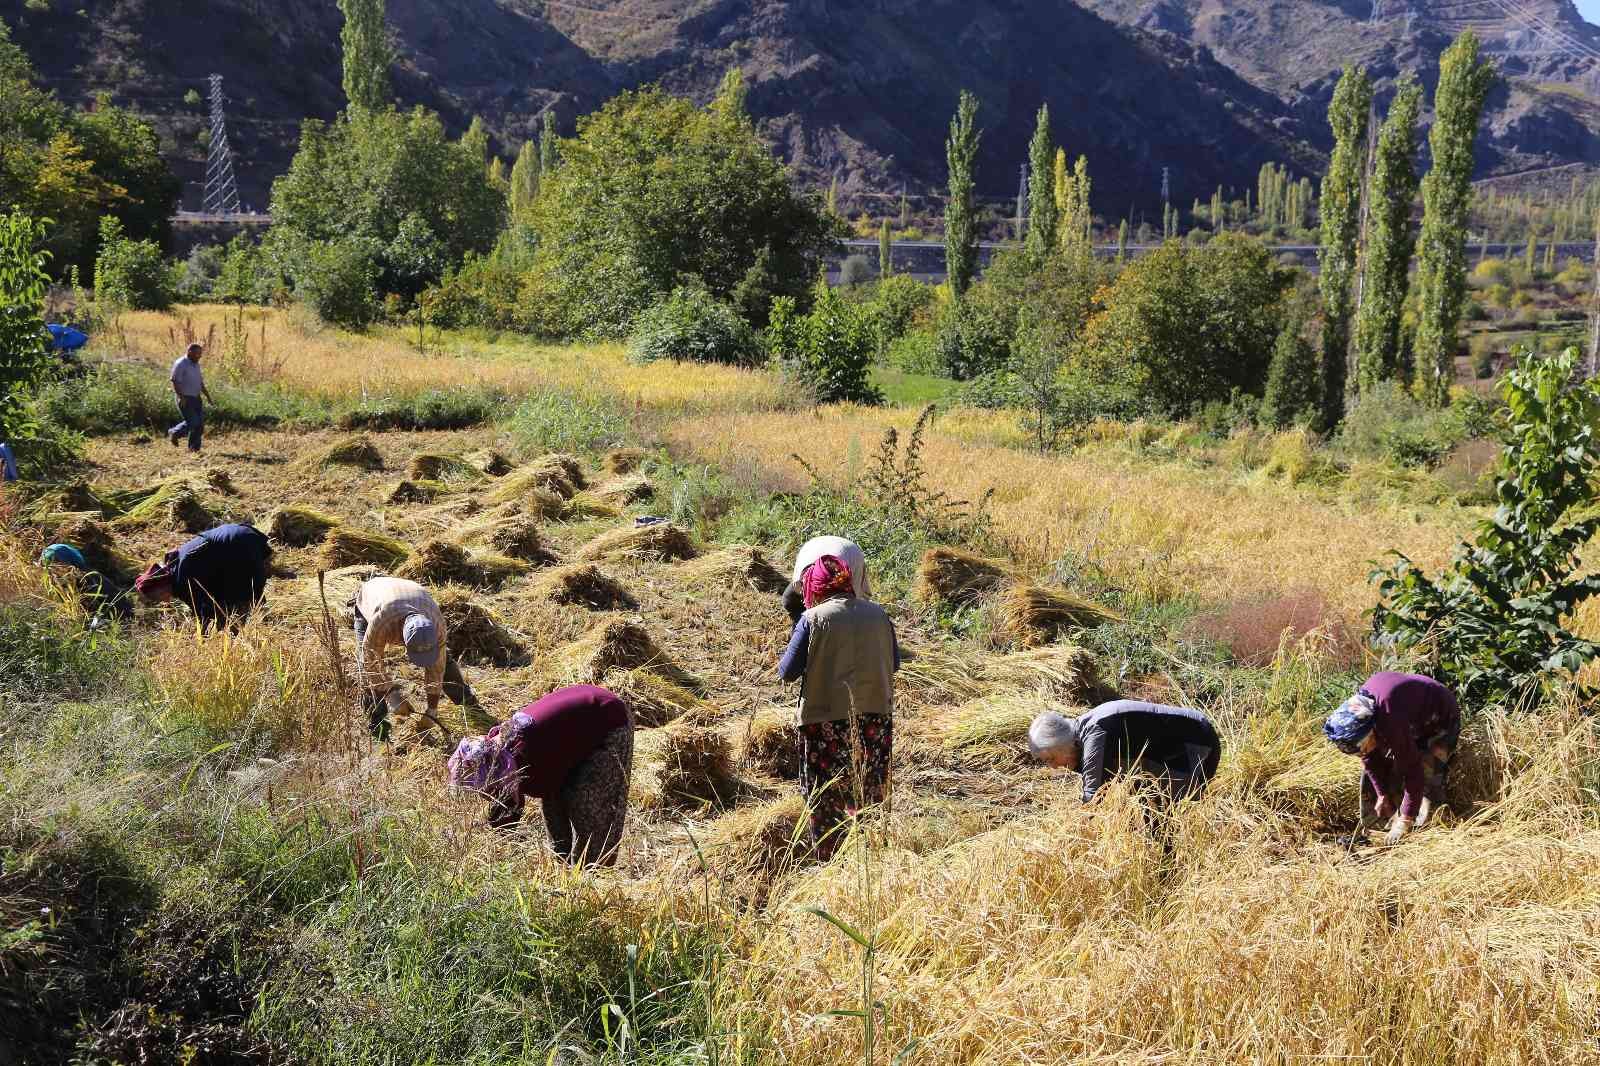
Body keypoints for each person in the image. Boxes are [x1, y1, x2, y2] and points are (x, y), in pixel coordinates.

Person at [777, 554, 899, 858]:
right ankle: (868, 857)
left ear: (814, 587)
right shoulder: (880, 615)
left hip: (825, 721)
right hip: (875, 719)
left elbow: (787, 672)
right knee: (867, 790)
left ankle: (831, 863)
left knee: (825, 798)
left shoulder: (813, 619)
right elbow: (893, 664)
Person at [448, 685, 635, 866]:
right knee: (554, 803)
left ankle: (592, 874)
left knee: (589, 810)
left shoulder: (522, 754)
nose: (483, 792)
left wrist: (499, 838)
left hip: (607, 719)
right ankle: (563, 866)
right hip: (572, 725)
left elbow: (511, 804)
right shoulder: (501, 754)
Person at [1323, 672, 1461, 845]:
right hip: (1410, 718)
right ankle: (1379, 827)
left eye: (1362, 747)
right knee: (1379, 771)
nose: (1361, 753)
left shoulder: (1389, 717)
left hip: (1441, 716)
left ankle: (1423, 832)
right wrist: (1382, 794)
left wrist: (1405, 820)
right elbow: (1370, 759)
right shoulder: (1363, 713)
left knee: (1427, 774)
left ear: (1371, 732)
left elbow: (1413, 770)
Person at [352, 575, 480, 741]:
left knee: (445, 662)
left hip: (410, 593)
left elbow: (437, 667)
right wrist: (392, 696)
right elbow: (372, 662)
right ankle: (379, 730)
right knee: (367, 671)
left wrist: (432, 710)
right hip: (372, 597)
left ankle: (468, 703)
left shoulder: (437, 624)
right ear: (402, 638)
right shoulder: (382, 621)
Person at [1029, 700, 1222, 804]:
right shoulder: (1081, 731)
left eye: (1052, 758)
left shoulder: (1095, 735)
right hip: (1173, 748)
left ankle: (1174, 870)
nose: (1053, 766)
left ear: (1064, 744)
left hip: (1196, 741)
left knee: (1169, 809)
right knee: (1146, 800)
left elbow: (1093, 795)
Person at [134, 522, 271, 628]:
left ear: (162, 585)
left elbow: (204, 611)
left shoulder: (182, 578)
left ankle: (261, 626)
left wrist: (204, 637)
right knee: (244, 592)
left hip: (237, 546)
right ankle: (264, 620)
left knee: (238, 602)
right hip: (244, 532)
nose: (162, 601)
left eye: (158, 596)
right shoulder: (174, 564)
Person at [782, 535, 869, 622]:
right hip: (815, 546)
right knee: (789, 601)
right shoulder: (799, 583)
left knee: (851, 604)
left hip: (850, 553)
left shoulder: (847, 570)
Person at [40, 542, 132, 624]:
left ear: (67, 561)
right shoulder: (71, 577)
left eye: (57, 562)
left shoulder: (84, 579)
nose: (54, 568)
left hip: (117, 619)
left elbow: (90, 609)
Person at [168, 342, 214, 452]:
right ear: (189, 352)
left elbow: (200, 382)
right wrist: (181, 397)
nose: (200, 356)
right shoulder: (181, 363)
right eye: (198, 353)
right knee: (193, 422)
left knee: (199, 426)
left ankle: (194, 449)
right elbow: (174, 381)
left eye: (200, 353)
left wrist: (207, 396)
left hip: (196, 398)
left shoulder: (196, 364)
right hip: (185, 398)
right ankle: (174, 432)